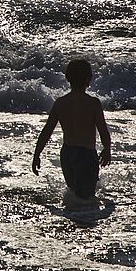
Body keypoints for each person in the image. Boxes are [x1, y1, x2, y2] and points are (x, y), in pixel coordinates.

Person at [32, 59, 112, 200]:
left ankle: (74, 217)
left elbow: (47, 131)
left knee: (74, 193)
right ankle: (83, 220)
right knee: (86, 198)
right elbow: (103, 130)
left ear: (68, 78)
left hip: (67, 154)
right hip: (86, 155)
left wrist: (37, 154)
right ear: (88, 79)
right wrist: (107, 149)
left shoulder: (61, 103)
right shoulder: (93, 103)